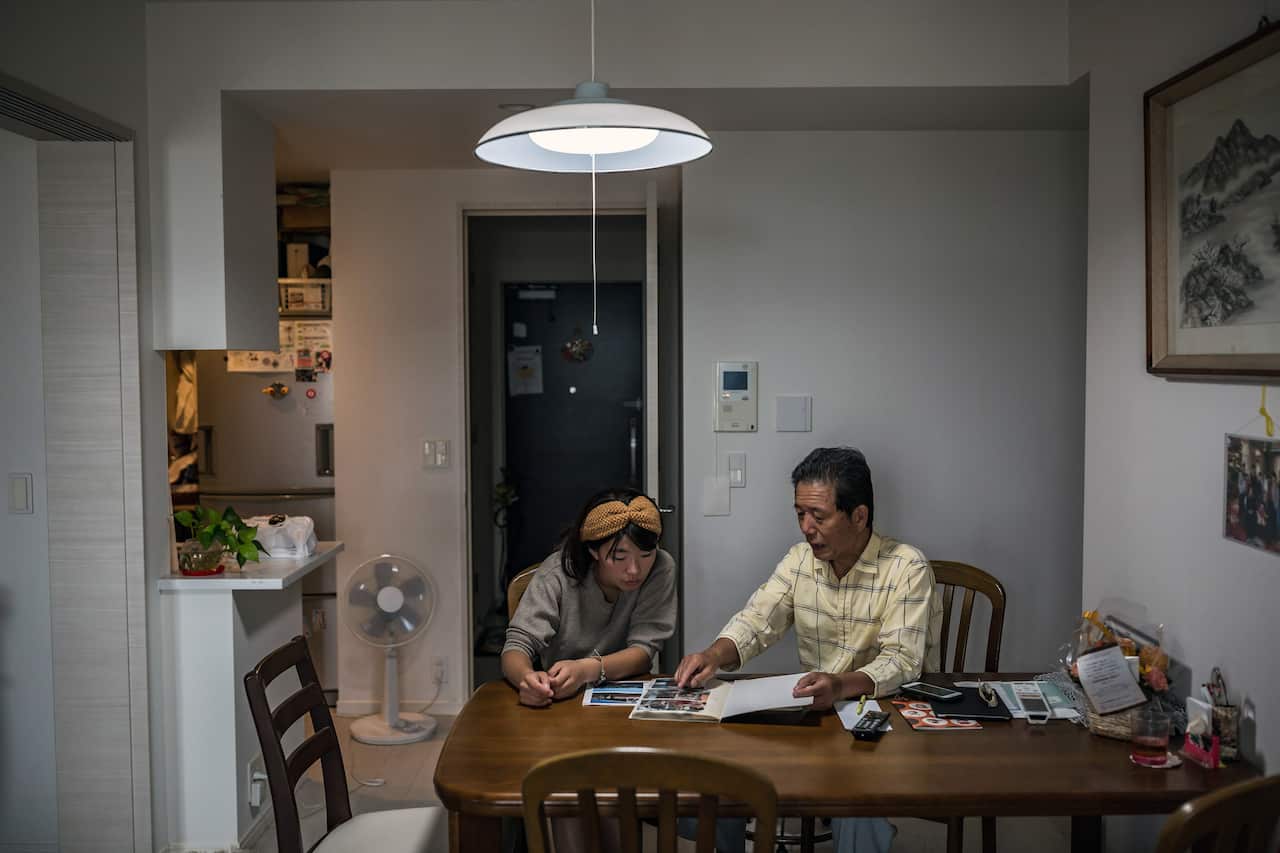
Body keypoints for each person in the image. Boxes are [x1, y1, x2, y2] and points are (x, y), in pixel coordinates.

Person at [675, 446, 943, 853]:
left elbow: (902, 661)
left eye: (818, 516)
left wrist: (840, 685)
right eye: (799, 513)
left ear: (859, 516)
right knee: (716, 775)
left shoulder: (907, 567)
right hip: (815, 717)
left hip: (883, 716)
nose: (805, 527)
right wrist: (713, 655)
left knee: (857, 796)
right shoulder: (800, 561)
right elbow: (758, 620)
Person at [503, 488, 677, 706]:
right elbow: (517, 645)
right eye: (619, 557)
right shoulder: (556, 573)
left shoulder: (661, 567)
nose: (634, 570)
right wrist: (526, 680)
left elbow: (643, 652)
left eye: (646, 555)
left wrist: (588, 669)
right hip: (560, 698)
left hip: (628, 696)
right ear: (593, 551)